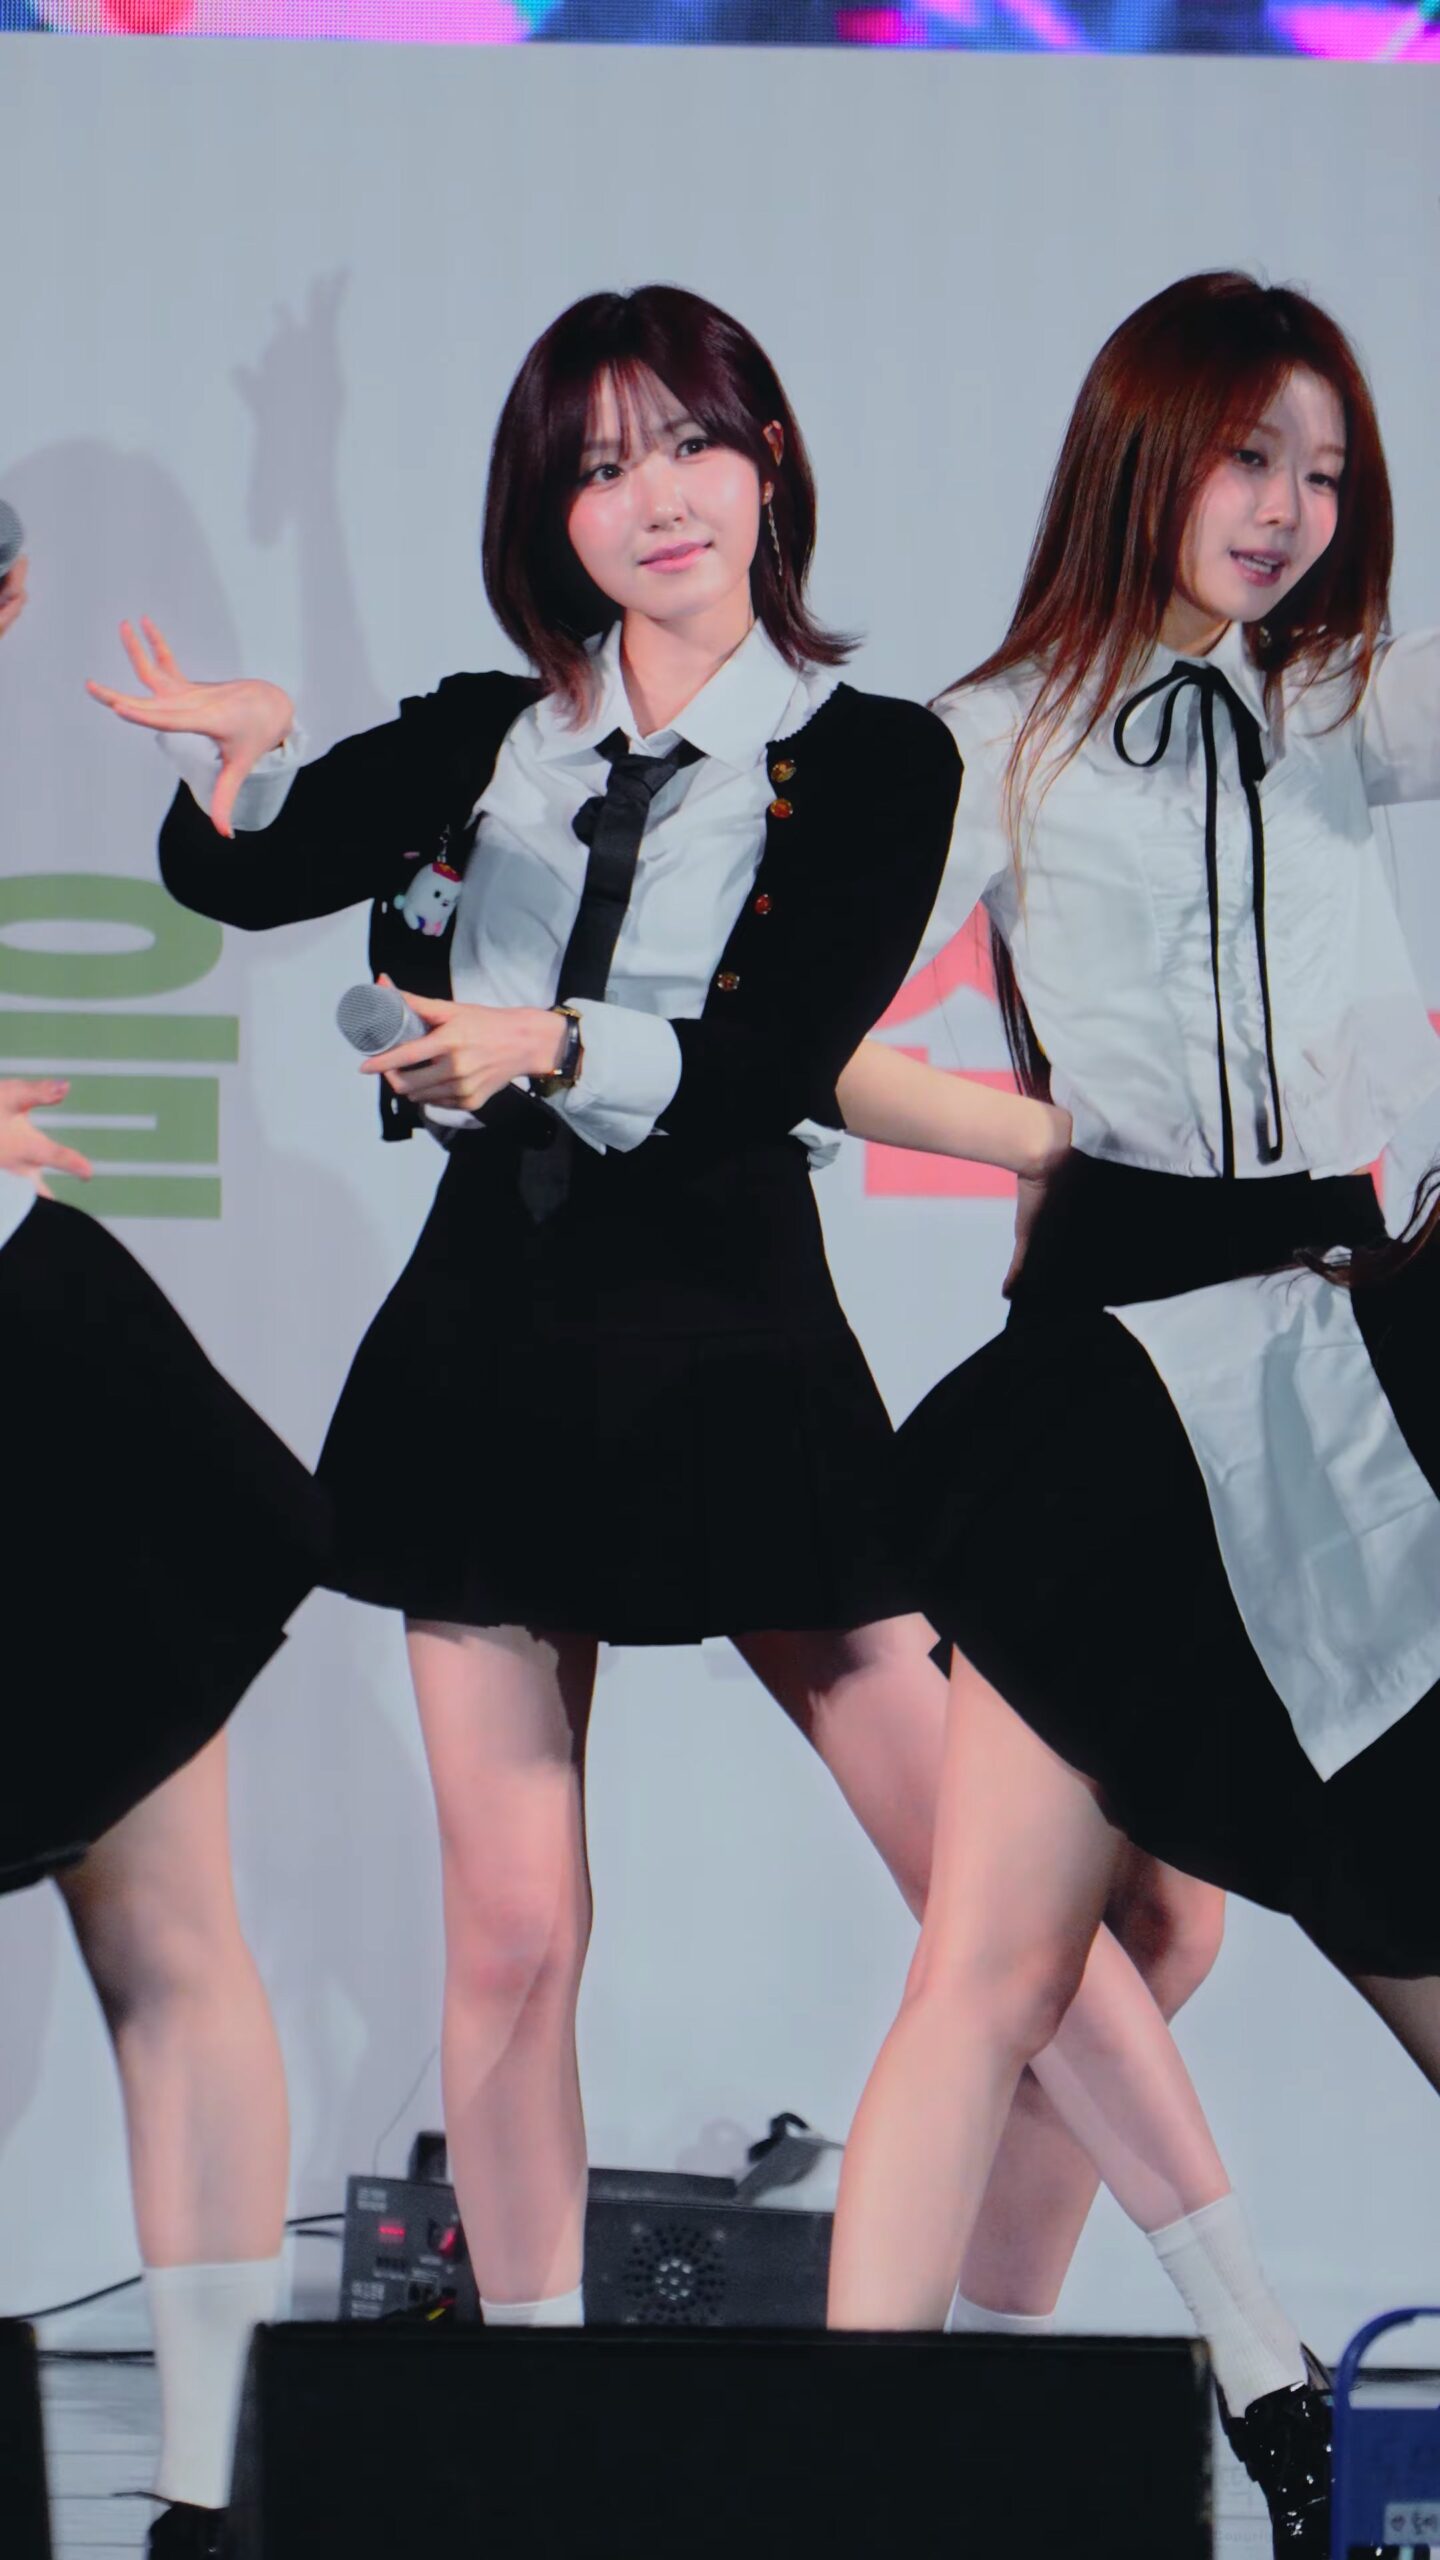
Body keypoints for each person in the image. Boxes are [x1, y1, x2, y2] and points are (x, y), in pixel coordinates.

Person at [89, 286, 1270, 2413]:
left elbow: (773, 1063)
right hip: (488, 1344)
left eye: (691, 444)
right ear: (547, 513)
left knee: (995, 1896)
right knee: (512, 1927)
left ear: (771, 460)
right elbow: (249, 887)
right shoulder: (483, 737)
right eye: (599, 464)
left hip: (740, 1340)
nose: (655, 498)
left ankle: (1255, 2353)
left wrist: (543, 1041)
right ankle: (538, 2417)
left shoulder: (876, 757)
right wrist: (230, 770)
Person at [828, 269, 1440, 2557]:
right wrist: (1037, 1140)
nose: (1285, 508)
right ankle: (846, 2491)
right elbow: (811, 1028)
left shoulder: (1342, 700)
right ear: (1141, 448)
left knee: (1370, 1914)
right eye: (1248, 453)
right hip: (1110, 1394)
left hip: (1351, 1370)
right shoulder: (994, 732)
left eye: (1325, 469)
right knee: (995, 1960)